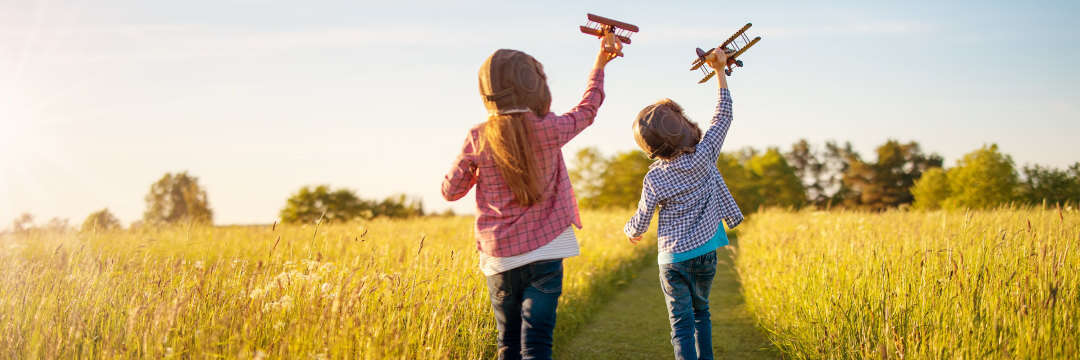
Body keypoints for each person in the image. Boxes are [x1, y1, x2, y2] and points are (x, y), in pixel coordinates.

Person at [441, 34, 622, 360]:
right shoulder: (549, 128)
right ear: (533, 84)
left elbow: (450, 191)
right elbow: (588, 108)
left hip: (500, 258)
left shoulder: (477, 137)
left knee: (507, 343)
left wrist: (478, 169)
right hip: (547, 252)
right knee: (537, 345)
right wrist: (600, 62)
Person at [623, 46, 744, 360]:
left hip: (673, 259)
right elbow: (723, 115)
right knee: (702, 312)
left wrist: (631, 231)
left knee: (680, 322)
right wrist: (719, 71)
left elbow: (641, 219)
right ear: (683, 126)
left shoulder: (654, 179)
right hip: (705, 254)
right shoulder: (705, 156)